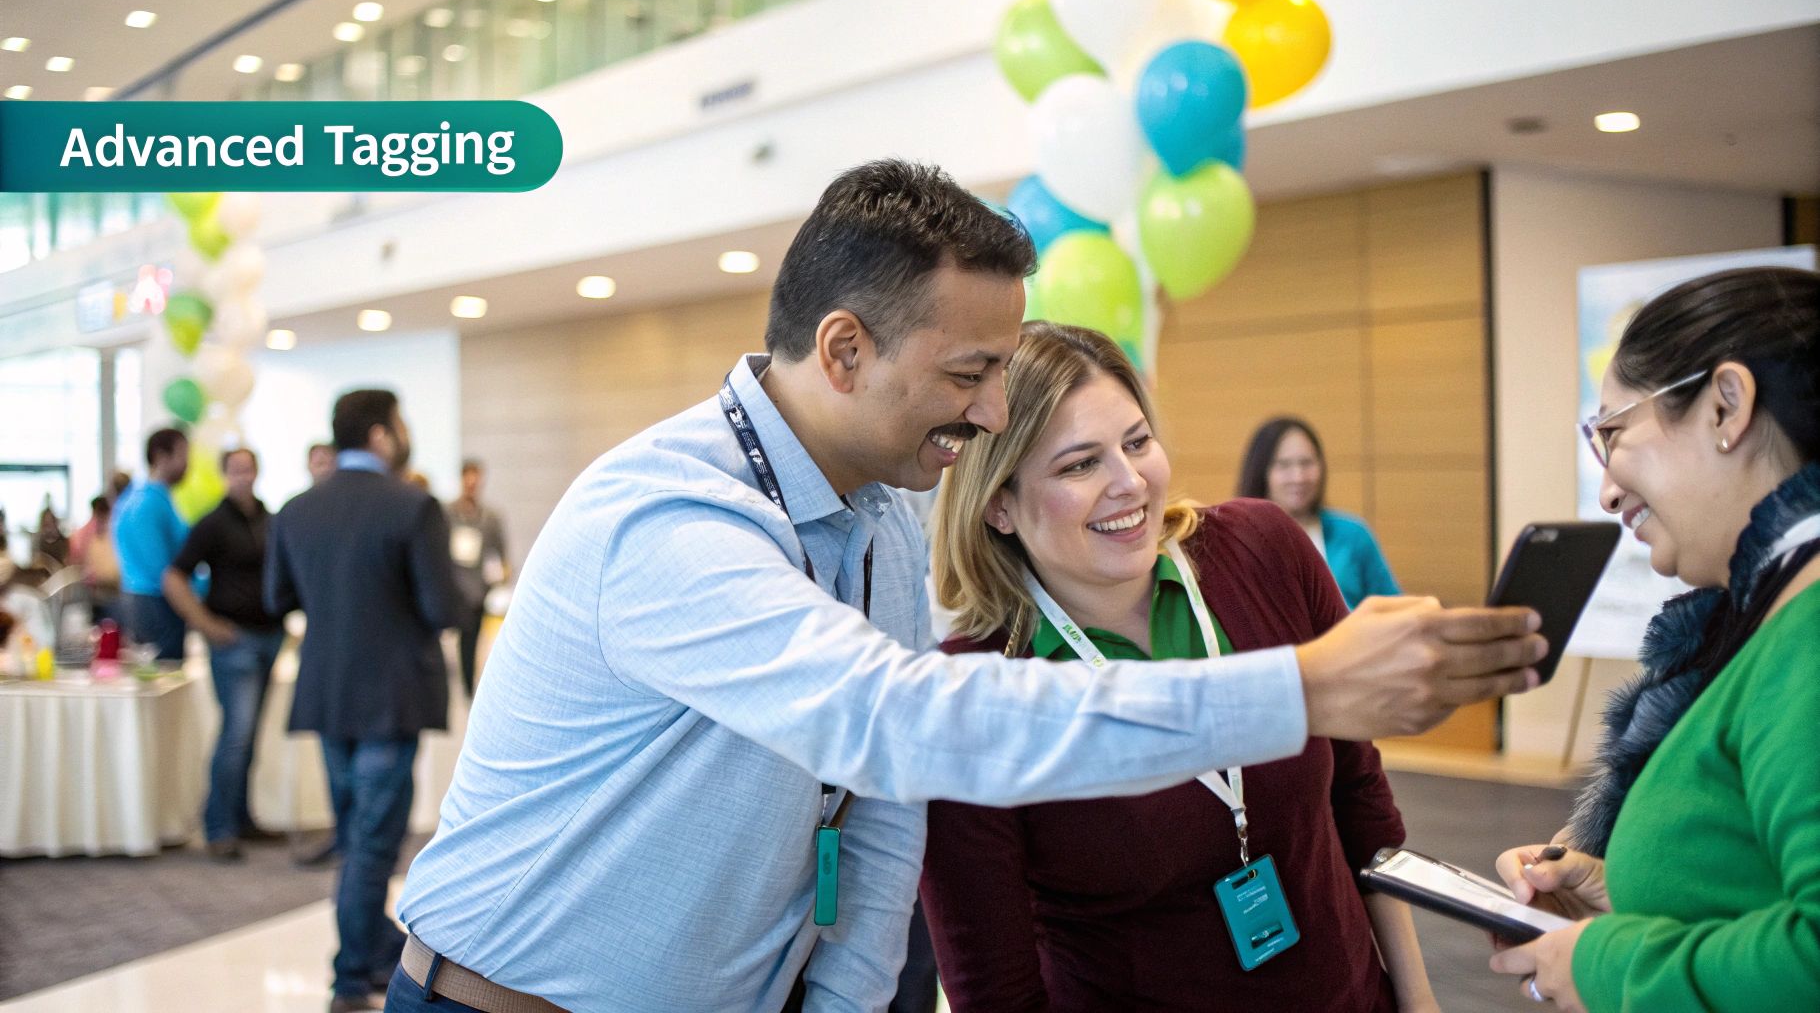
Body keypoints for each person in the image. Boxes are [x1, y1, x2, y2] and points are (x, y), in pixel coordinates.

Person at [386, 160, 1543, 1013]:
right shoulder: (670, 520)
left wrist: (843, 1002)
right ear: (844, 351)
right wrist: (1296, 689)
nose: (991, 411)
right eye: (968, 373)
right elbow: (903, 721)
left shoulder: (882, 517)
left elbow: (888, 808)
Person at [921, 323, 1437, 1012]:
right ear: (999, 505)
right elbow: (995, 991)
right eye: (1080, 465)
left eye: (1137, 443)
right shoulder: (973, 695)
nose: (1130, 482)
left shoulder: (1263, 550)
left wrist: (1418, 1000)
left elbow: (1361, 797)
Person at [1488, 267, 1820, 1011]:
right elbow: (1755, 890)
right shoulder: (1768, 621)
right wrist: (1628, 900)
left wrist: (1607, 964)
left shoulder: (1809, 628)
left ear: (1727, 406)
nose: (1608, 490)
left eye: (1613, 432)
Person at [267, 390, 457, 1013]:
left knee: (358, 834)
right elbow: (443, 607)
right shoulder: (413, 506)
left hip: (328, 693)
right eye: (400, 424)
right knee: (373, 842)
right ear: (379, 434)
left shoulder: (295, 510)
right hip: (390, 697)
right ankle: (350, 978)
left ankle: (373, 951)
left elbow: (277, 599)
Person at [163, 448, 286, 862]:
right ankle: (219, 827)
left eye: (248, 468)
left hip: (269, 636)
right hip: (234, 641)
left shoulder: (269, 519)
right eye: (235, 470)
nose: (243, 476)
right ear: (224, 474)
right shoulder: (213, 523)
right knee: (236, 734)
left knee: (249, 737)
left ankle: (241, 818)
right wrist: (205, 624)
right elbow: (174, 577)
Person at [1237, 417, 1399, 609]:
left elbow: (1394, 608)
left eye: (1306, 463)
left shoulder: (1353, 535)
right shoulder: (1240, 542)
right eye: (1284, 465)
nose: (1298, 477)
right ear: (1261, 472)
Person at [113, 428, 191, 659]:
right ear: (160, 456)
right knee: (165, 675)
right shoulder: (148, 503)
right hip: (156, 603)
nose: (188, 463)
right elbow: (161, 569)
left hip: (146, 600)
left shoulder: (138, 498)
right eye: (182, 455)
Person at [444, 458, 508, 698]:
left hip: (478, 589)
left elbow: (500, 554)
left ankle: (469, 687)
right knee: (460, 639)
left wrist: (500, 577)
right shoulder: (448, 513)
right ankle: (463, 683)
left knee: (471, 639)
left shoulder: (490, 518)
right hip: (454, 586)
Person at [69, 495, 121, 623]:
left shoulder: (83, 532)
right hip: (102, 589)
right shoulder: (102, 533)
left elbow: (75, 558)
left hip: (94, 588)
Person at [33, 501, 68, 568]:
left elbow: (66, 561)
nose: (49, 528)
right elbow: (35, 561)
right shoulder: (38, 540)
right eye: (47, 524)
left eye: (51, 523)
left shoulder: (63, 541)